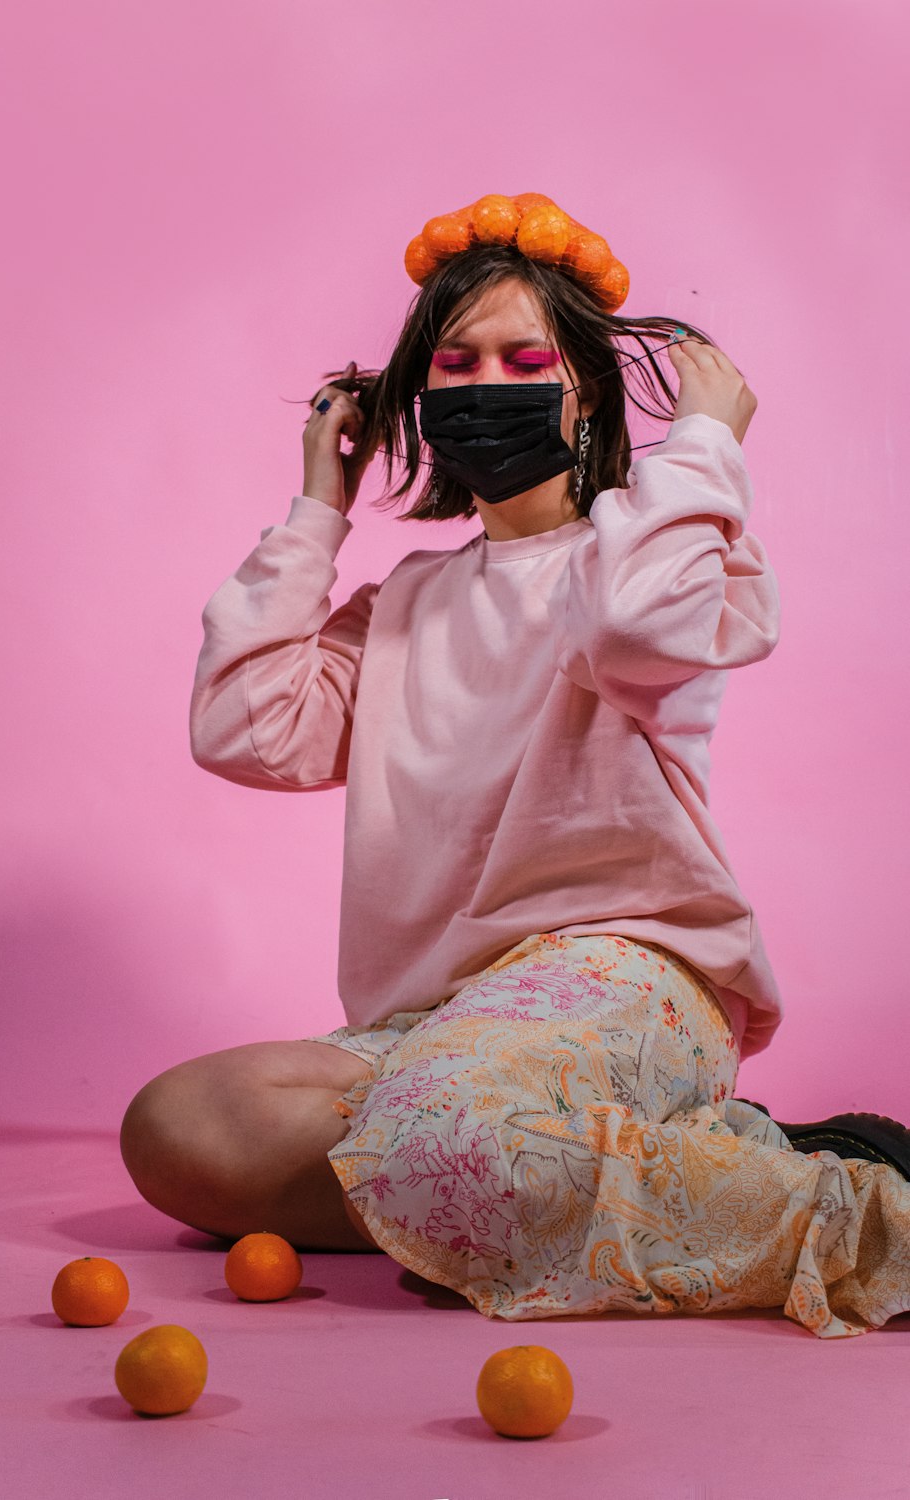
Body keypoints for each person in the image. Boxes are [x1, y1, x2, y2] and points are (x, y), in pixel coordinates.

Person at [121, 193, 910, 1338]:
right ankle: (541, 1187)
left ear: (582, 389)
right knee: (181, 1126)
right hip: (442, 1026)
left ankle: (859, 1212)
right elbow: (244, 727)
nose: (486, 384)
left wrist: (702, 442)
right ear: (418, 397)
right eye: (455, 362)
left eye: (523, 357)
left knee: (442, 1145)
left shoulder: (649, 562)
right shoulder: (406, 604)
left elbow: (638, 632)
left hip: (626, 975)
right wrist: (317, 506)